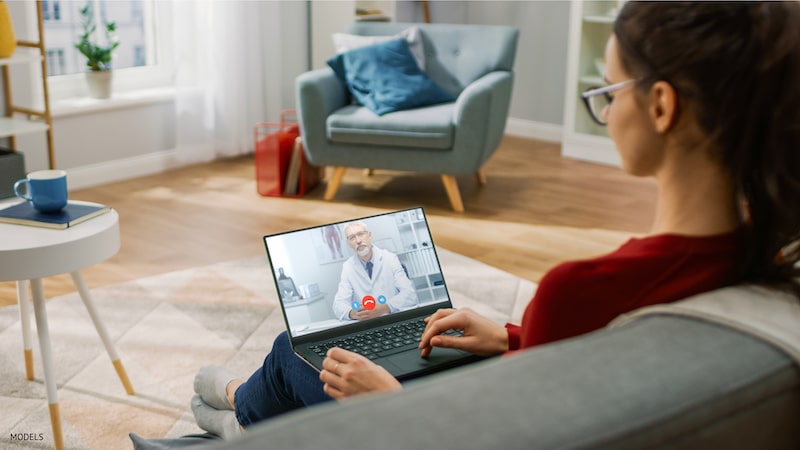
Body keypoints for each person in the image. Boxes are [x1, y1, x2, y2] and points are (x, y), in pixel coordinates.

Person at [189, 2, 800, 440]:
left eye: (609, 90)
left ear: (662, 106)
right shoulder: (774, 260)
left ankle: (238, 419)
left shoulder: (578, 290)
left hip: (440, 427)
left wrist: (392, 403)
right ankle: (239, 414)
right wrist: (512, 337)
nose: (606, 108)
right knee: (344, 346)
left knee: (299, 351)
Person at [332, 221, 418, 321]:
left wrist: (385, 308)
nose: (358, 240)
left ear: (369, 235)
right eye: (352, 237)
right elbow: (338, 304)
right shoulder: (348, 267)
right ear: (349, 244)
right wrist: (352, 313)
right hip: (367, 324)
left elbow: (410, 294)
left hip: (393, 318)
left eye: (360, 234)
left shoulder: (390, 258)